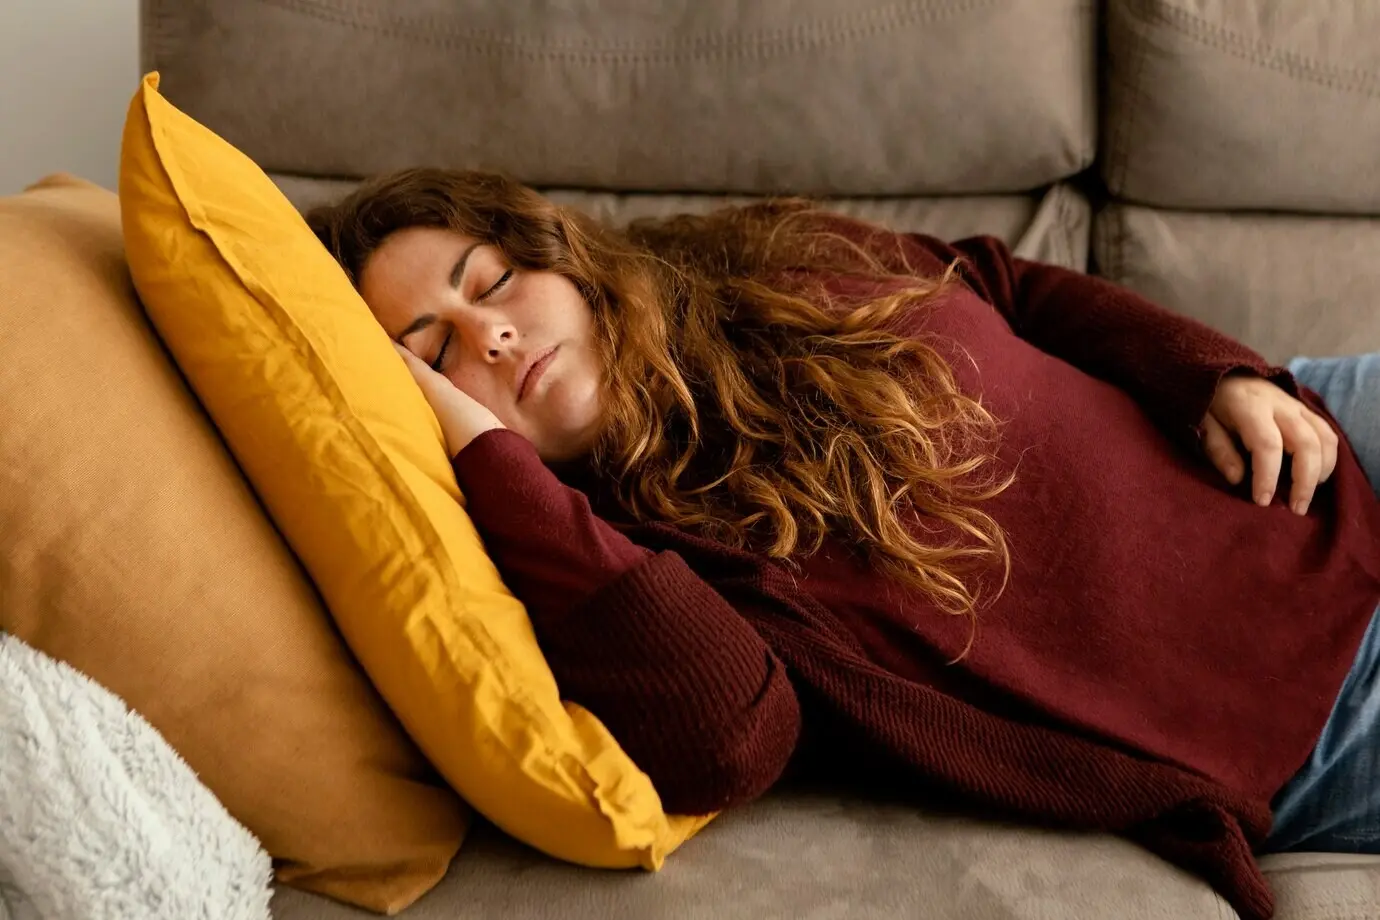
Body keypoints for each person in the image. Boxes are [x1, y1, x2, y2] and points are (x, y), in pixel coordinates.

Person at [307, 168, 1380, 920]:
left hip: (1322, 441)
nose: (488, 332)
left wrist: (1217, 373)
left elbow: (998, 278)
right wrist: (489, 453)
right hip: (1323, 703)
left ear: (558, 255)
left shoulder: (748, 262)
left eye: (490, 280)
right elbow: (735, 733)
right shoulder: (623, 562)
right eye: (435, 351)